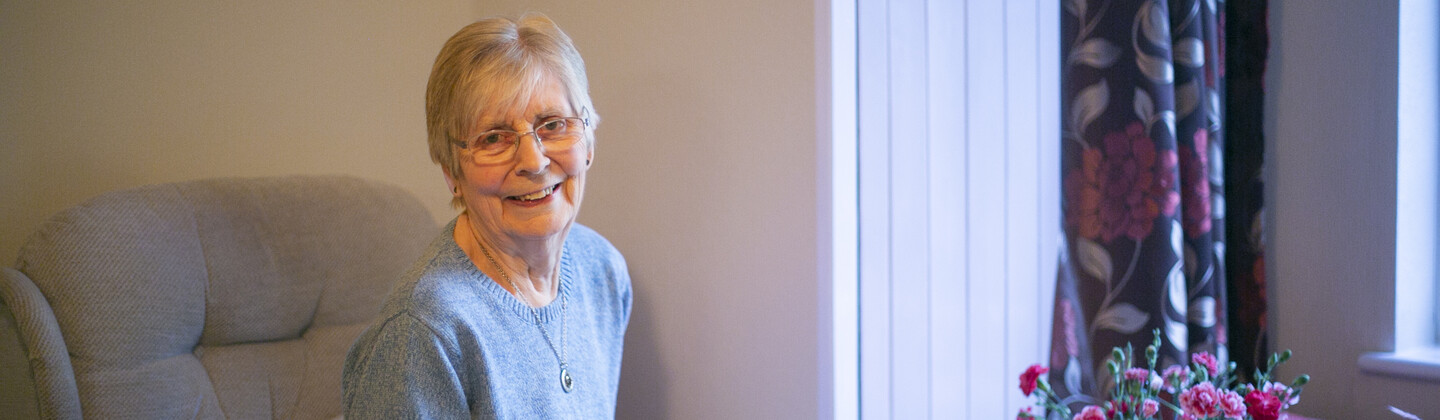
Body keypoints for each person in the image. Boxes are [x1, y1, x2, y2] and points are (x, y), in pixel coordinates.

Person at [342, 14, 632, 419]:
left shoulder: (601, 271)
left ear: (587, 142)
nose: (533, 161)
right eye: (493, 138)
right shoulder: (426, 329)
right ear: (451, 172)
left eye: (552, 125)